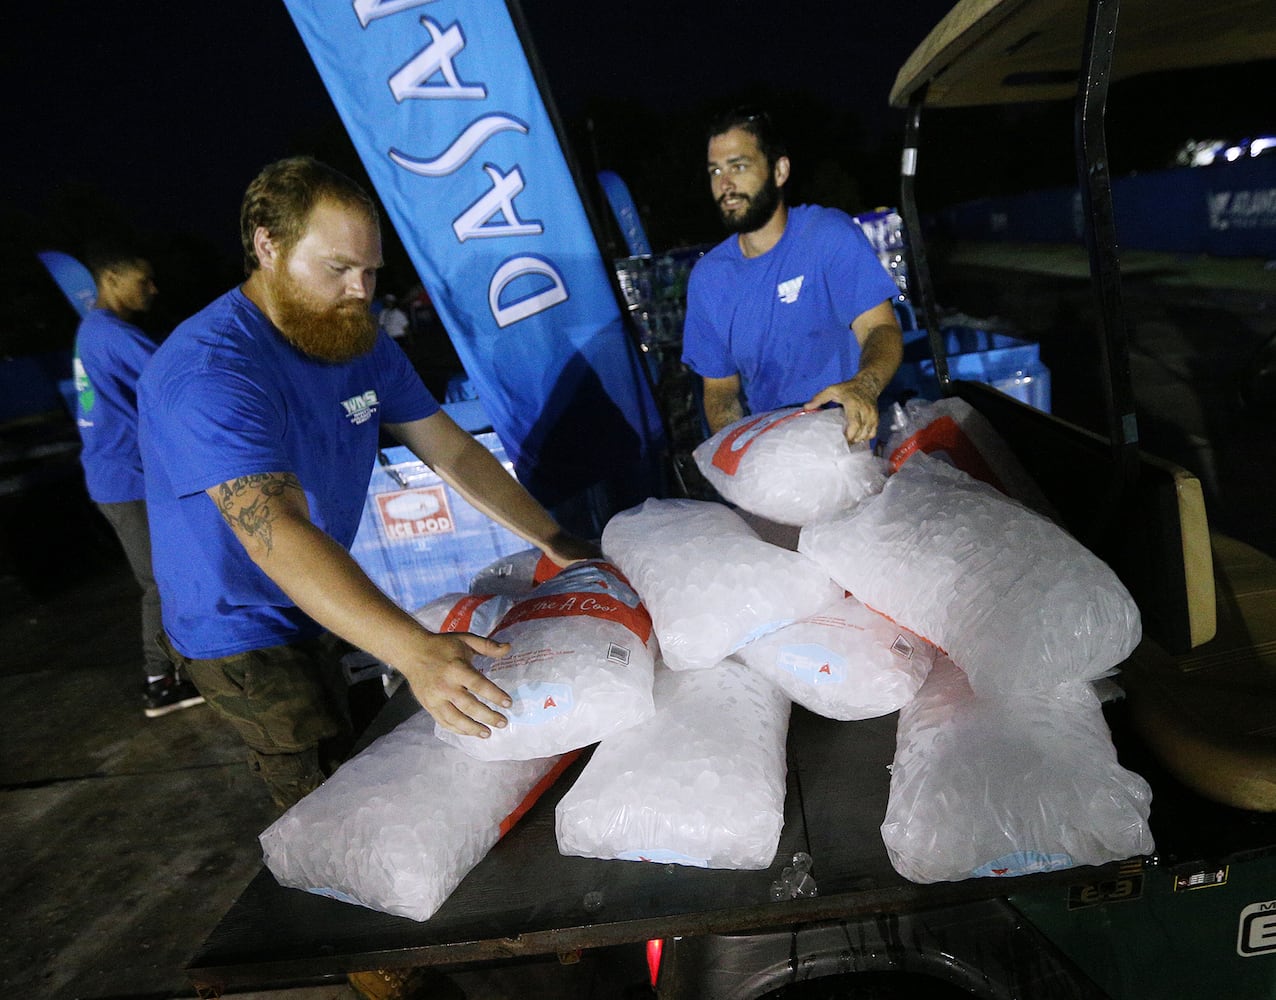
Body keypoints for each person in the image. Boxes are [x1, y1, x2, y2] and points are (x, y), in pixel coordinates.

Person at [137, 156, 597, 814]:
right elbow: (277, 532)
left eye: (371, 270)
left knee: (363, 755)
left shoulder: (354, 337)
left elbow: (452, 450)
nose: (360, 289)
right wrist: (415, 652)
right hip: (241, 622)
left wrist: (553, 538)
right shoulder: (211, 371)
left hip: (320, 593)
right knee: (332, 803)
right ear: (267, 245)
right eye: (338, 268)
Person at [681, 107, 905, 444]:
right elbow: (720, 389)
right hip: (774, 459)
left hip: (852, 446)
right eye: (715, 171)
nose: (724, 185)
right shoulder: (708, 278)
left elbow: (880, 328)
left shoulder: (827, 235)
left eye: (738, 166)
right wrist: (737, 452)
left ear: (779, 170)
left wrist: (864, 386)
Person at [73, 241, 205, 718]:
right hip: (127, 479)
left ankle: (179, 669)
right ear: (110, 280)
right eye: (142, 280)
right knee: (160, 581)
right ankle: (160, 682)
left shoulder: (96, 331)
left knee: (167, 575)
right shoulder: (113, 335)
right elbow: (179, 378)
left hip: (116, 476)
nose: (153, 289)